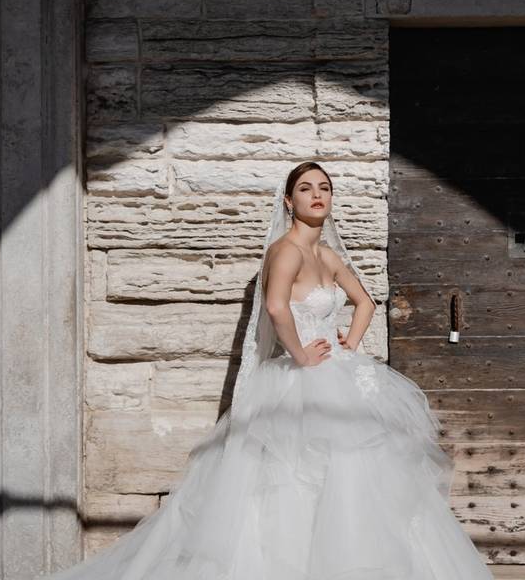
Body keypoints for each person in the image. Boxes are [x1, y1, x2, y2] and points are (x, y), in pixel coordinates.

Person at [42, 161, 495, 579]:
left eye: (325, 188)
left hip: (338, 372)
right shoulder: (287, 251)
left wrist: (350, 343)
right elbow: (277, 309)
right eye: (305, 188)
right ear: (288, 201)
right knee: (293, 480)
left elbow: (367, 302)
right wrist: (300, 355)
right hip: (302, 380)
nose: (317, 195)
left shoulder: (329, 254)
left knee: (352, 477)